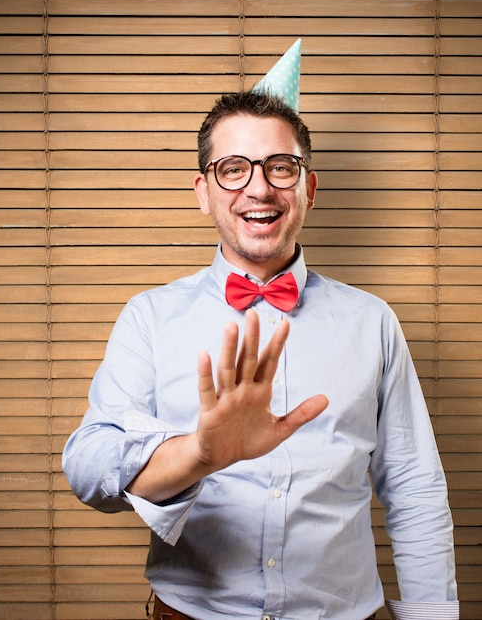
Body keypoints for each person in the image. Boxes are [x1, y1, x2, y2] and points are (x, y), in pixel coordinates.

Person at [63, 43, 458, 620]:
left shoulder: (373, 322)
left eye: (281, 166)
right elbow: (88, 468)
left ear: (308, 189)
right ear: (203, 192)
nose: (258, 188)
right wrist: (196, 454)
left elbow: (414, 488)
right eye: (232, 169)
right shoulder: (149, 316)